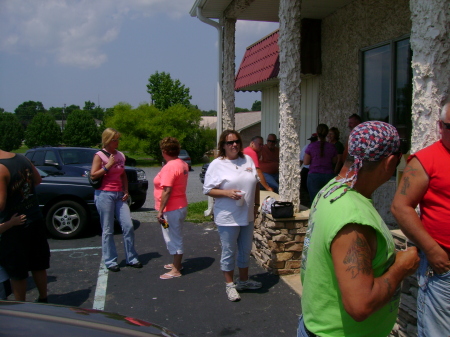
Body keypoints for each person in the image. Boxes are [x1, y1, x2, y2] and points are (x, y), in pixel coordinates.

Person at [299, 121, 420, 337]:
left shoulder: (331, 189)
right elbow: (360, 305)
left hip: (317, 325)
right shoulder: (353, 218)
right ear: (390, 161)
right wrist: (401, 268)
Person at [391, 102, 450, 337]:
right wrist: (433, 251)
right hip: (443, 267)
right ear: (440, 127)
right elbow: (400, 207)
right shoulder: (425, 160)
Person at [203, 130, 262, 302]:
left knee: (245, 250)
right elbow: (207, 190)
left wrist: (256, 206)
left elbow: (256, 183)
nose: (234, 145)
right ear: (223, 145)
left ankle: (243, 281)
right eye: (229, 143)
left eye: (236, 141)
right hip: (228, 216)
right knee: (229, 251)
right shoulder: (217, 164)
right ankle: (230, 285)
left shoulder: (247, 160)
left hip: (247, 214)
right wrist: (227, 193)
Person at [0, 150, 50, 302]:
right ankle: (43, 298)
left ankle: (21, 307)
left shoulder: (1, 169)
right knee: (38, 264)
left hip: (15, 224)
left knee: (18, 271)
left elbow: (1, 204)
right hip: (34, 217)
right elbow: (38, 180)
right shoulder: (22, 158)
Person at [91, 128, 142, 272]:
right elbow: (93, 175)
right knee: (108, 229)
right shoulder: (99, 155)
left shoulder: (120, 155)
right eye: (115, 139)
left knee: (128, 226)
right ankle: (111, 260)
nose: (117, 142)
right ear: (107, 140)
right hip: (104, 194)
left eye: (118, 139)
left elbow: (123, 174)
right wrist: (107, 166)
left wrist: (126, 190)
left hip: (119, 194)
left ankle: (131, 258)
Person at [154, 137, 189, 280]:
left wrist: (160, 210)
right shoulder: (182, 164)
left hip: (171, 209)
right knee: (173, 234)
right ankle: (176, 262)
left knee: (173, 237)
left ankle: (176, 269)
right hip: (179, 206)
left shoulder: (169, 167)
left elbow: (167, 190)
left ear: (164, 151)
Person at [303, 124, 337, 202]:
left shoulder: (311, 146)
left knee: (315, 201)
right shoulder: (332, 147)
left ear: (317, 133)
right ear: (327, 133)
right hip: (328, 176)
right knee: (327, 200)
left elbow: (306, 162)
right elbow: (334, 161)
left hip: (314, 176)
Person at [299, 133, 318, 208]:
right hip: (307, 170)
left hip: (310, 171)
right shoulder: (307, 147)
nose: (312, 142)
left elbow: (301, 160)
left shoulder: (307, 147)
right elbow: (301, 160)